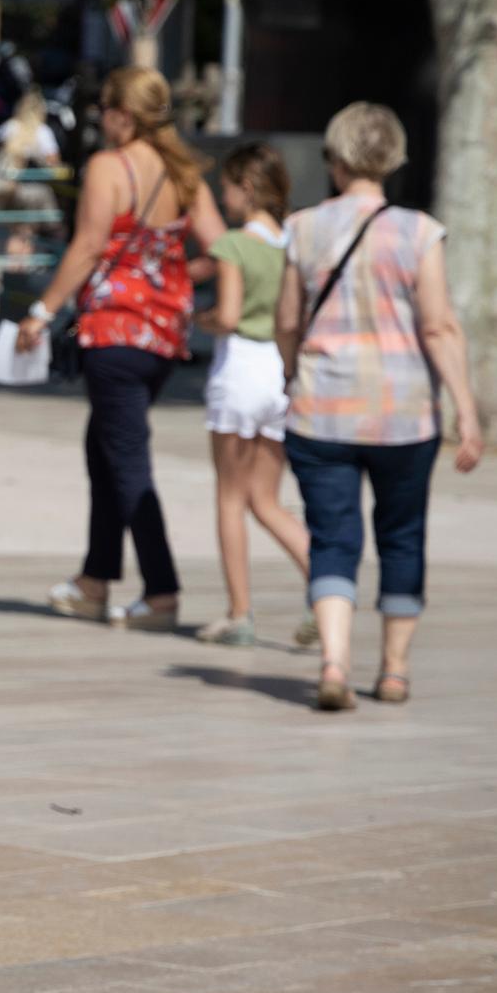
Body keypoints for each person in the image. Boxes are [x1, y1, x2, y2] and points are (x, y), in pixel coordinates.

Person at [276, 102, 485, 711]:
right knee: (402, 537)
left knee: (332, 537)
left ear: (336, 160)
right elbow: (440, 328)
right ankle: (393, 670)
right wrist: (467, 411)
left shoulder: (303, 228)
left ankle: (335, 660)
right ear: (392, 159)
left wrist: (293, 370)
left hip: (322, 408)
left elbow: (287, 320)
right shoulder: (420, 232)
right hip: (404, 412)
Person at [14, 65, 223, 630]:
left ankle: (161, 593)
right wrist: (174, 274)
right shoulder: (185, 174)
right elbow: (223, 247)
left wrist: (41, 311)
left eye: (104, 109)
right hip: (163, 337)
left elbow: (87, 247)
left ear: (122, 115)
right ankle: (95, 580)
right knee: (104, 448)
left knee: (126, 460)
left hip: (113, 333)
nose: (100, 120)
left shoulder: (110, 167)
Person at [192, 143, 311, 647]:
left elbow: (229, 315)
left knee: (229, 498)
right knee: (268, 500)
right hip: (279, 375)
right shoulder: (293, 244)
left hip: (240, 367)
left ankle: (239, 612)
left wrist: (198, 320)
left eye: (226, 188)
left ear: (246, 189)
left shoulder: (234, 246)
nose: (222, 198)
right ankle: (327, 586)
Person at [0, 87, 63, 262]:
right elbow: (54, 162)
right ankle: (19, 272)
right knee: (27, 233)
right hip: (34, 190)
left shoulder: (11, 126)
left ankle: (13, 269)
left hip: (12, 187)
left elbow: (1, 150)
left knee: (17, 231)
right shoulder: (43, 132)